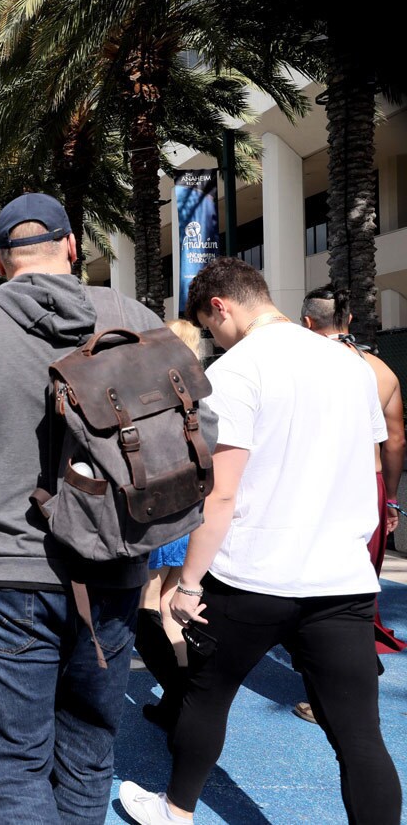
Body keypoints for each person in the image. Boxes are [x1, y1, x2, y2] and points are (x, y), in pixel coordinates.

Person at [0, 193, 173, 823]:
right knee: (88, 755)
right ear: (73, 246)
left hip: (8, 570)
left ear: (0, 260)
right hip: (113, 566)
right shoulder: (130, 315)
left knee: (15, 765)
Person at [120, 258, 401, 825]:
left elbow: (221, 496)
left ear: (219, 306)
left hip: (252, 574)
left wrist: (189, 585)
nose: (212, 337)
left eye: (208, 324)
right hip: (340, 577)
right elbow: (370, 463)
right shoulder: (353, 366)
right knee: (360, 735)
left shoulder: (236, 371)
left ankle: (175, 811)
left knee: (207, 694)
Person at [299, 285, 406, 658]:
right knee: (355, 583)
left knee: (318, 585)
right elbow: (395, 441)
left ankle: (335, 674)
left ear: (307, 322)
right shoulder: (380, 370)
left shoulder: (300, 366)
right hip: (370, 481)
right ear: (350, 319)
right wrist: (390, 497)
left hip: (316, 484)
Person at [133, 318, 203, 732]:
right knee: (172, 607)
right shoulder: (201, 393)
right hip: (193, 513)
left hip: (161, 511)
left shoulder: (156, 395)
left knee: (148, 604)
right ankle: (183, 697)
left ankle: (176, 695)